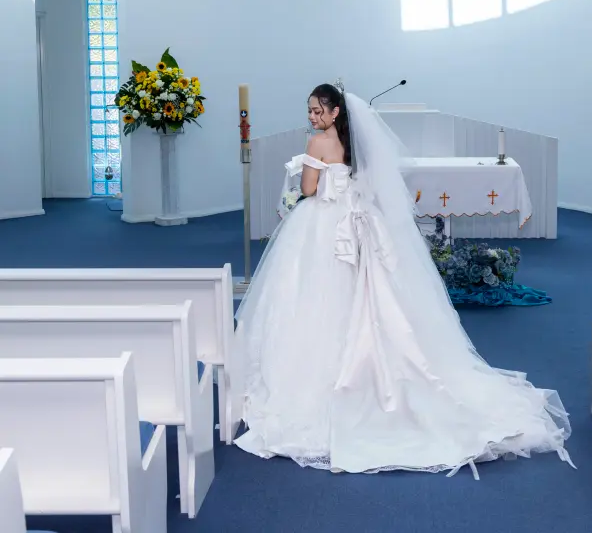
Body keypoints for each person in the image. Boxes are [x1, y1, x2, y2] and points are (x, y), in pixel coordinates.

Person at [233, 82, 573, 476]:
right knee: (377, 298)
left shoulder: (316, 145)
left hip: (326, 226)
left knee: (314, 297)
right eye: (309, 110)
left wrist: (308, 188)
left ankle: (319, 377)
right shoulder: (357, 144)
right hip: (363, 225)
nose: (312, 117)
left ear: (336, 111)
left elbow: (309, 189)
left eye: (317, 110)